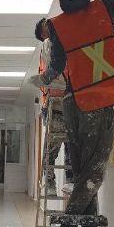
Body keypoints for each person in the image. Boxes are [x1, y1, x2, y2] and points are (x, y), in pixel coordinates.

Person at [30, 0, 114, 227]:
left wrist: (40, 81)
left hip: (73, 106)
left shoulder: (56, 27)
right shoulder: (103, 8)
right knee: (92, 176)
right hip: (98, 103)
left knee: (85, 175)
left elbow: (56, 68)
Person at [35, 18, 73, 197]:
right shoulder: (47, 45)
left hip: (67, 99)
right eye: (45, 32)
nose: (48, 32)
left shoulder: (60, 37)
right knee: (54, 145)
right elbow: (50, 73)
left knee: (71, 143)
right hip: (54, 101)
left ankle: (70, 179)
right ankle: (50, 180)